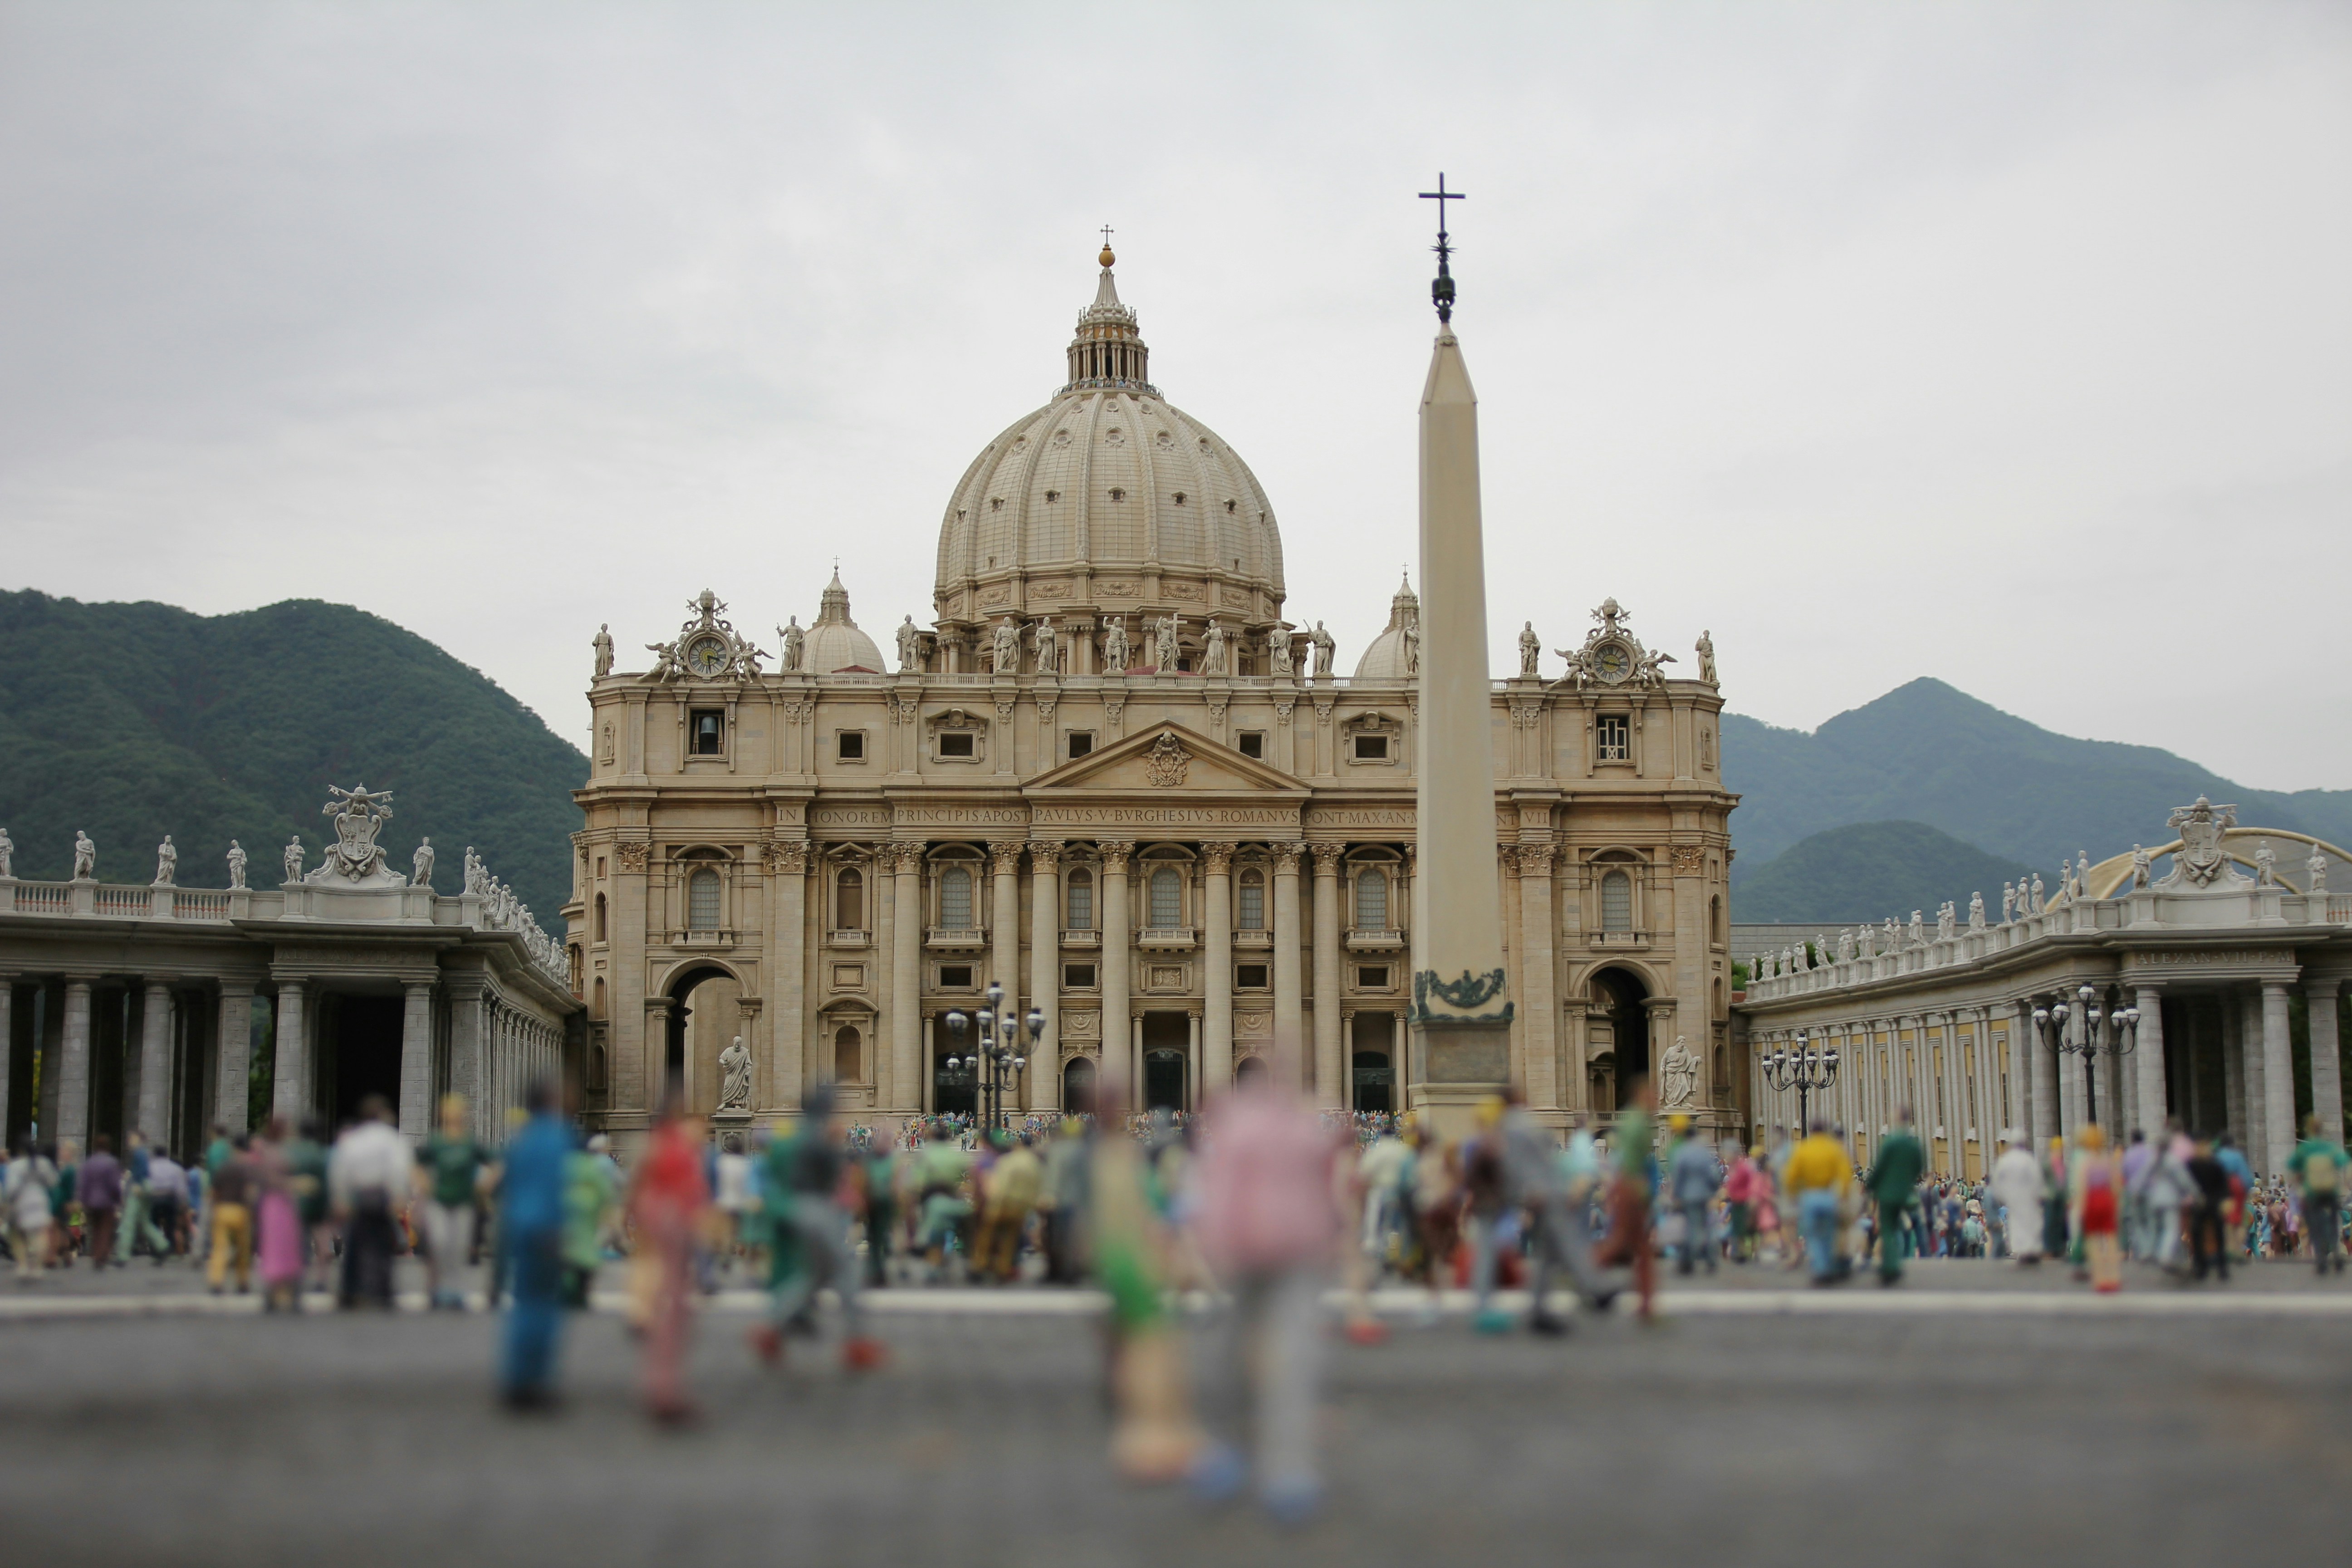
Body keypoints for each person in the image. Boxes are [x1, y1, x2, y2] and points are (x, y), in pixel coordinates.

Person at [1186, 1071, 1345, 1524]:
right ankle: (1279, 1468)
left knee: (1247, 1355)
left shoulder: (1242, 1133)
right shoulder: (1296, 1130)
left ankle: (1246, 1457)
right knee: (1284, 1359)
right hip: (1275, 1252)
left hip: (1264, 1254)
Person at [751, 1084, 885, 1371]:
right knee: (847, 1274)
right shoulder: (817, 1138)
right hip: (818, 1212)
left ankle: (771, 1329)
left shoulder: (799, 1135)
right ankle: (856, 1343)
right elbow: (833, 1176)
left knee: (814, 1277)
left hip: (802, 1210)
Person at [628, 1092, 712, 1422]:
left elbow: (640, 1193)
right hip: (673, 1230)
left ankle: (662, 1387)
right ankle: (666, 1391)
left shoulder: (655, 1147)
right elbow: (690, 1192)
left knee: (667, 1306)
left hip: (659, 1231)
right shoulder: (678, 1148)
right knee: (673, 1313)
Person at [499, 1076, 574, 1410]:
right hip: (545, 1227)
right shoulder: (558, 1137)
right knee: (543, 1307)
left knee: (524, 1303)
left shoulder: (522, 1139)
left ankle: (517, 1378)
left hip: (519, 1226)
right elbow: (555, 1187)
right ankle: (536, 1382)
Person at [329, 1095, 414, 1309]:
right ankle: (383, 1291)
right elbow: (399, 1169)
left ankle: (349, 1291)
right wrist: (400, 1196)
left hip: (358, 1196)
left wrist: (340, 1198)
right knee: (383, 1244)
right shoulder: (391, 1139)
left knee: (355, 1243)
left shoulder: (352, 1139)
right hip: (382, 1196)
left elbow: (340, 1169)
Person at [417, 1095, 493, 1309]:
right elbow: (417, 1165)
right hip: (439, 1201)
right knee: (440, 1242)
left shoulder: (470, 1142)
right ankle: (438, 1287)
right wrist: (424, 1185)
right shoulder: (436, 1141)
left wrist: (484, 1186)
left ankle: (457, 1289)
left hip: (464, 1201)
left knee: (459, 1246)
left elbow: (493, 1162)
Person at [1783, 1117, 1852, 1284]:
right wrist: (1842, 1195)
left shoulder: (1803, 1149)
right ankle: (1828, 1266)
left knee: (1813, 1234)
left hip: (1810, 1196)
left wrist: (1794, 1195)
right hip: (1828, 1196)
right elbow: (1845, 1176)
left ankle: (1820, 1268)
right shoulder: (1834, 1149)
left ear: (1812, 1131)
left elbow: (1790, 1177)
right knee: (1829, 1234)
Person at [976, 1130, 1043, 1284]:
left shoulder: (1008, 1161)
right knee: (1009, 1240)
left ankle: (981, 1266)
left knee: (987, 1236)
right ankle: (1004, 1269)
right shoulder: (1033, 1162)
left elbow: (1000, 1186)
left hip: (1003, 1204)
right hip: (1021, 1207)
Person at [2287, 1114, 2347, 1278]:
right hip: (2330, 1191)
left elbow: (2292, 1169)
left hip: (2312, 1192)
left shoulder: (2304, 1149)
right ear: (2322, 1130)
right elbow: (2344, 1163)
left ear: (2308, 1129)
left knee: (2315, 1225)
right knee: (2333, 1222)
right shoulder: (2330, 1148)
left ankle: (2321, 1260)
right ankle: (2336, 1252)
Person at [1666, 1114, 1721, 1277]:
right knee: (1707, 1226)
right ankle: (1711, 1259)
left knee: (1692, 1228)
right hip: (1704, 1194)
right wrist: (1713, 1191)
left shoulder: (1682, 1153)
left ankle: (1688, 1261)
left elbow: (1679, 1176)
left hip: (1688, 1196)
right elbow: (1713, 1175)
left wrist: (1676, 1196)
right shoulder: (1704, 1153)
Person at [207, 1136, 258, 1294]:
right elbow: (251, 1193)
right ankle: (242, 1283)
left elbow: (214, 1191)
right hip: (241, 1211)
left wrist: (214, 1208)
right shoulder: (248, 1169)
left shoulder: (224, 1167)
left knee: (220, 1248)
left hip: (223, 1210)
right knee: (243, 1251)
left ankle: (217, 1281)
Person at [2074, 1125, 2122, 1292]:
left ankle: (2100, 1278)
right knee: (2110, 1240)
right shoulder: (2107, 1160)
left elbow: (2082, 1187)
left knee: (2094, 1240)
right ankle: (2114, 1276)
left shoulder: (2086, 1162)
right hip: (2106, 1199)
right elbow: (2116, 1184)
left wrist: (2081, 1208)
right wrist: (2115, 1203)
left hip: (2093, 1200)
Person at [5, 1138, 59, 1281]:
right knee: (40, 1234)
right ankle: (37, 1266)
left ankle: (23, 1265)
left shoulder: (16, 1165)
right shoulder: (43, 1164)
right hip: (40, 1200)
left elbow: (11, 1188)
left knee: (17, 1234)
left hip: (21, 1202)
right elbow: (53, 1182)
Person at [1989, 1131, 2043, 1265]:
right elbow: (2037, 1178)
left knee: (2017, 1223)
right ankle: (2030, 1250)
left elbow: (1997, 1180)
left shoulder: (2005, 1160)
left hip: (2012, 1196)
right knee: (2029, 1222)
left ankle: (2021, 1250)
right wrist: (2037, 1194)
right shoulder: (2028, 1159)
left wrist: (2002, 1195)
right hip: (2027, 1195)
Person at [2185, 1132, 2231, 1282]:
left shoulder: (2207, 1164)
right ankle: (2206, 1265)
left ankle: (2214, 1265)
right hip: (2205, 1202)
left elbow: (2223, 1185)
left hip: (2207, 1202)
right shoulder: (2196, 1164)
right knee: (2202, 1233)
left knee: (2212, 1233)